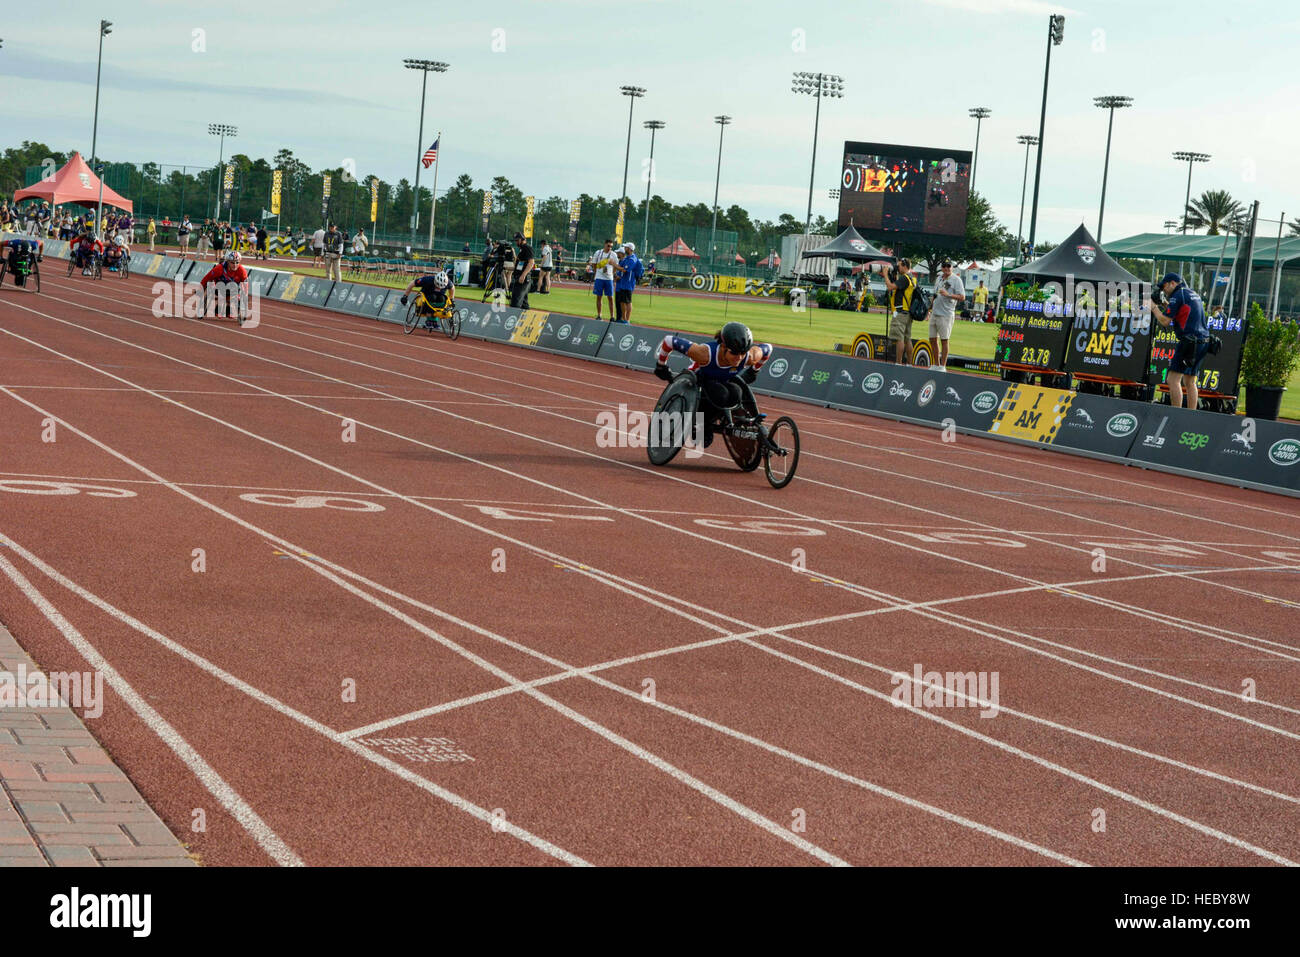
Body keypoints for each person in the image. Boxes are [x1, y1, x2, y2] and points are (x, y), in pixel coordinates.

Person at [653, 322, 776, 450]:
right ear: (723, 347)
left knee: (736, 393)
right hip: (699, 380)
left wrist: (754, 371)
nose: (739, 358)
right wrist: (661, 365)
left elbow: (768, 348)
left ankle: (709, 420)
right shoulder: (705, 353)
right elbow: (669, 341)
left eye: (742, 353)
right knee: (720, 394)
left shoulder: (749, 356)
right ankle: (702, 423)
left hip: (722, 381)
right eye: (734, 353)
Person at [1151, 271, 1209, 410]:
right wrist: (1164, 304)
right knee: (1190, 381)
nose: (1163, 289)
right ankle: (1190, 415)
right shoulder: (1190, 293)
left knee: (1172, 379)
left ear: (1173, 283)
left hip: (1189, 342)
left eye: (1164, 286)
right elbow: (1181, 312)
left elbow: (1165, 321)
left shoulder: (1177, 295)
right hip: (1203, 341)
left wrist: (1153, 307)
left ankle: (1176, 415)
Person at [927, 259, 964, 371]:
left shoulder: (956, 280)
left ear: (952, 267)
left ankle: (942, 366)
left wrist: (949, 295)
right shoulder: (939, 278)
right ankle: (936, 364)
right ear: (942, 267)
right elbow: (934, 295)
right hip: (935, 313)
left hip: (946, 314)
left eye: (949, 266)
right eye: (945, 266)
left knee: (944, 340)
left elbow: (962, 297)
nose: (947, 268)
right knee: (932, 339)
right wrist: (929, 310)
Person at [882, 258, 918, 364]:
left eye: (899, 266)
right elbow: (901, 289)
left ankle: (898, 363)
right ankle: (909, 364)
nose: (898, 268)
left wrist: (885, 274)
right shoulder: (913, 278)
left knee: (899, 338)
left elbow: (890, 287)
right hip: (908, 313)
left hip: (901, 312)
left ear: (904, 266)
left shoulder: (904, 278)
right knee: (907, 339)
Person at [613, 241, 644, 323]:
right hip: (624, 282)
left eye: (626, 247)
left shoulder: (632, 259)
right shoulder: (627, 258)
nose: (624, 248)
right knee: (622, 301)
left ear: (630, 249)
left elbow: (625, 270)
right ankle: (623, 318)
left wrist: (613, 264)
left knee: (628, 302)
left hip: (628, 283)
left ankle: (627, 320)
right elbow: (620, 267)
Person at [588, 238, 618, 319]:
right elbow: (594, 264)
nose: (610, 248)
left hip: (609, 279)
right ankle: (599, 315)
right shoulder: (598, 253)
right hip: (599, 278)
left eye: (611, 246)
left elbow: (616, 265)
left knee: (610, 297)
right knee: (599, 296)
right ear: (605, 244)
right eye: (608, 246)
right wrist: (596, 272)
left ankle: (612, 316)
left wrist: (612, 273)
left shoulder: (613, 254)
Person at [509, 232, 536, 309]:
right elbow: (520, 264)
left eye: (517, 240)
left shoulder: (527, 248)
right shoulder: (522, 249)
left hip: (523, 279)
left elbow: (531, 262)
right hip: (520, 277)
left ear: (522, 239)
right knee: (524, 303)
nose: (516, 242)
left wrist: (523, 275)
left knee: (515, 301)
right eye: (516, 240)